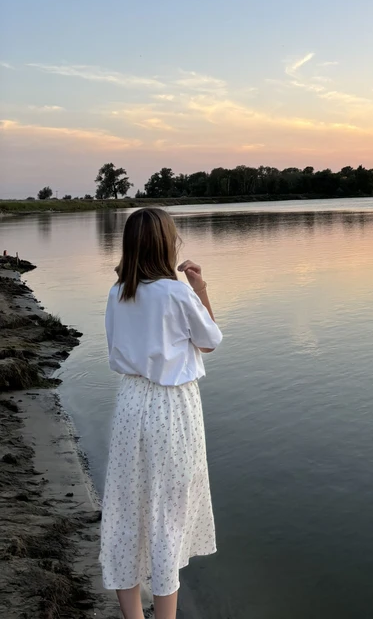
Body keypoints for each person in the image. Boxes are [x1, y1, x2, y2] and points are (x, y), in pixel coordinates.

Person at [99, 207, 223, 619]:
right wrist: (200, 288)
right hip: (172, 407)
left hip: (131, 403)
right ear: (166, 244)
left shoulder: (118, 293)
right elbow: (210, 341)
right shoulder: (176, 292)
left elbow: (116, 348)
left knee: (127, 509)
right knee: (168, 512)